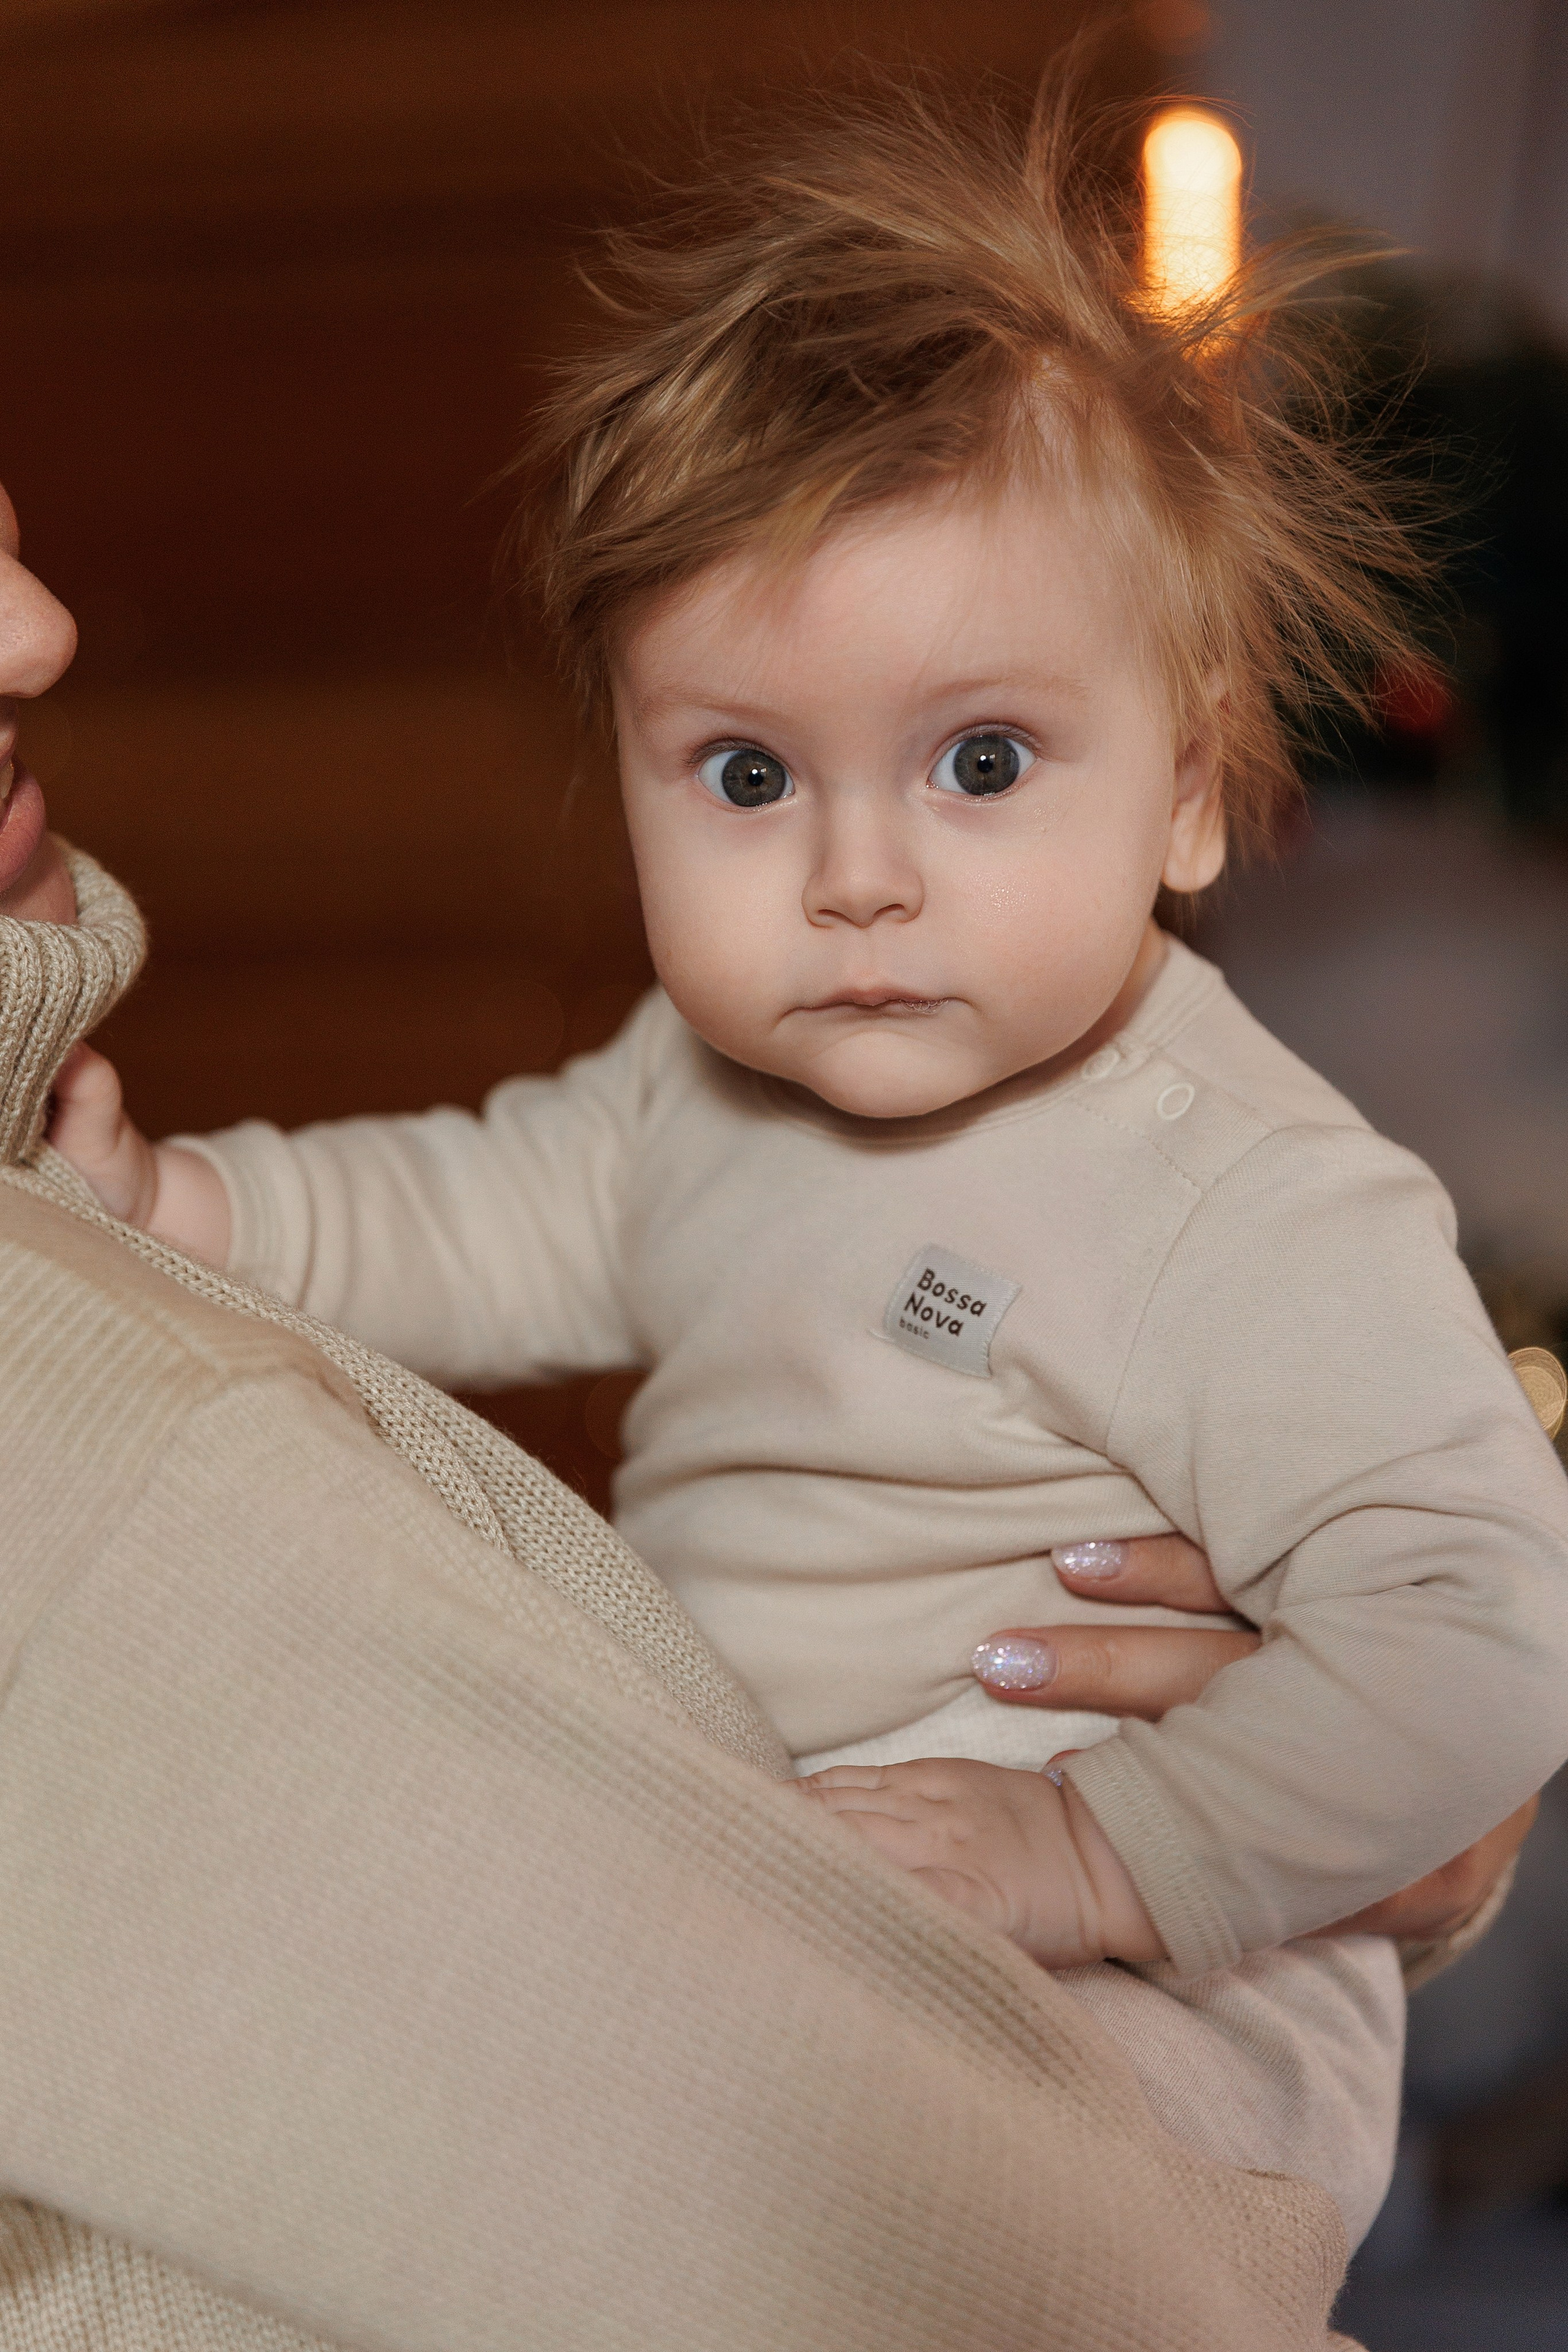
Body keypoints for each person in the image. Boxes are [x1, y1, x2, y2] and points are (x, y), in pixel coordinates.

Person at [50, 81, 1568, 2265]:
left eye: (980, 760)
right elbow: (475, 1212)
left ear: (1194, 781)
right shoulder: (696, 1092)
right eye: (749, 775)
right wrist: (183, 1216)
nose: (858, 876)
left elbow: (1480, 1636)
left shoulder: (1245, 1201)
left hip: (1157, 2011)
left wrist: (1100, 1853)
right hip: (795, 1920)